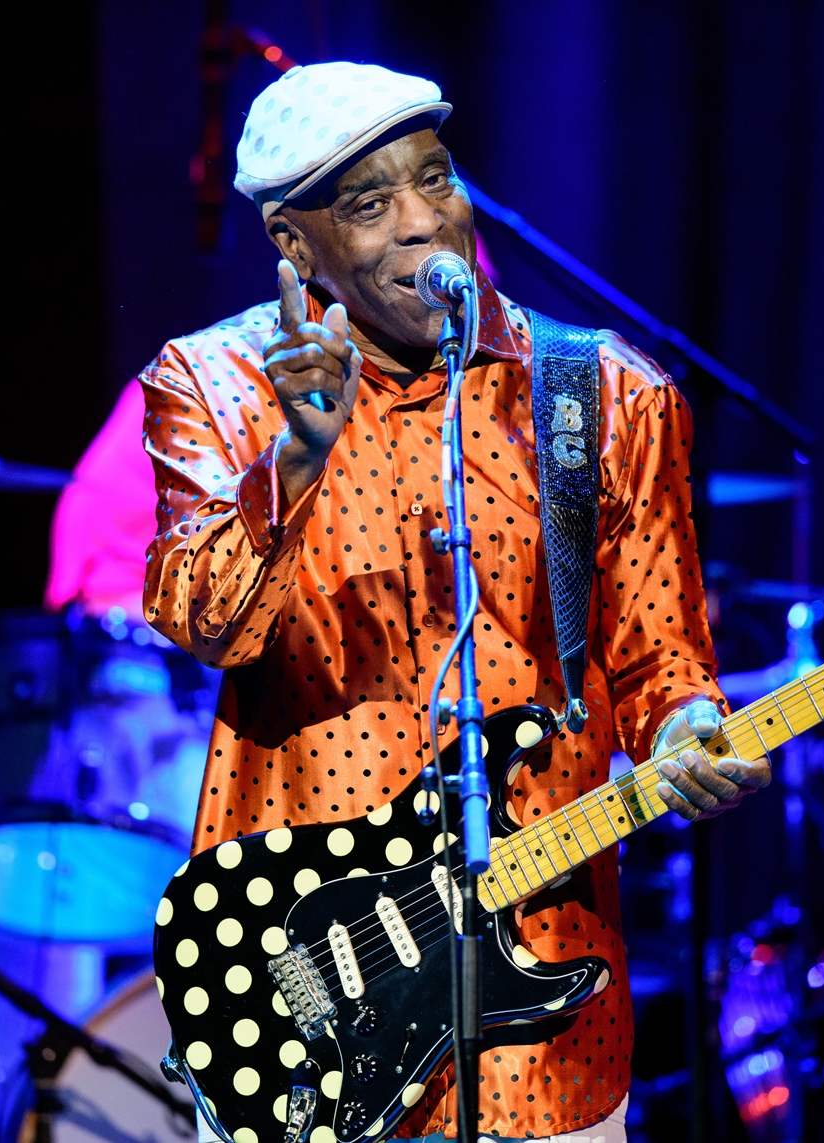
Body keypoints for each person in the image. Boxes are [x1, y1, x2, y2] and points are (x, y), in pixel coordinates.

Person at [140, 62, 771, 1142]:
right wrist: (294, 465)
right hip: (308, 984)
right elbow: (204, 623)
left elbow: (660, 651)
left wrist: (687, 731)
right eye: (369, 204)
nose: (425, 222)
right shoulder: (214, 382)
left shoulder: (604, 392)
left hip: (548, 987)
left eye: (435, 179)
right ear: (296, 244)